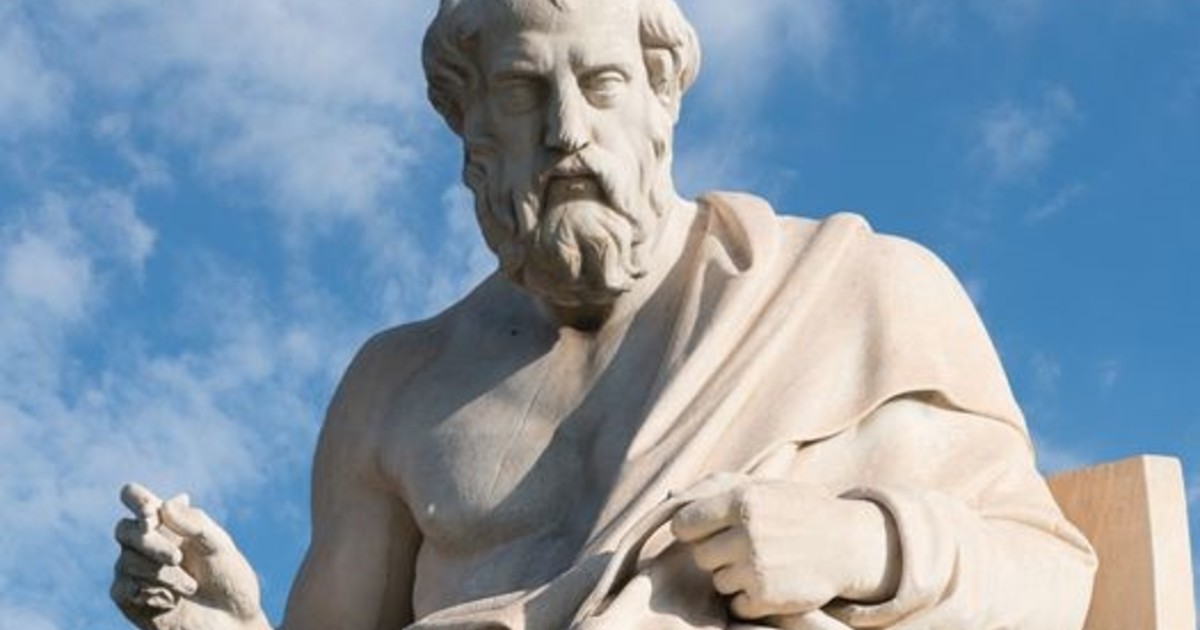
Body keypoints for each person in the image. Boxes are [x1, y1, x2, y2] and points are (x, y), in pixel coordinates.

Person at [110, 0, 1097, 628]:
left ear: (662, 100)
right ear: (469, 126)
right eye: (522, 90)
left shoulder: (854, 292)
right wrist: (222, 626)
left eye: (602, 82)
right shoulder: (395, 387)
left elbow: (1054, 579)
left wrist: (862, 547)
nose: (567, 131)